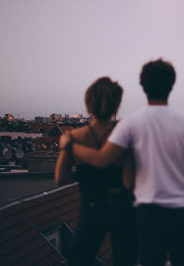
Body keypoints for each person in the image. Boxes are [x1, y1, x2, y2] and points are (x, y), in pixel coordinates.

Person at [60, 59, 184, 266]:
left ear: (143, 86)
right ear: (171, 85)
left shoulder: (131, 122)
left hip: (149, 211)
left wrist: (69, 146)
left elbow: (102, 159)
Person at [55, 77, 136, 266]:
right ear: (116, 107)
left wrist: (83, 173)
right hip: (121, 207)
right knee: (126, 259)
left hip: (91, 205)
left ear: (88, 105)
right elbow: (129, 182)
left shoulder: (74, 138)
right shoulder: (123, 138)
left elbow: (60, 178)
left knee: (79, 258)